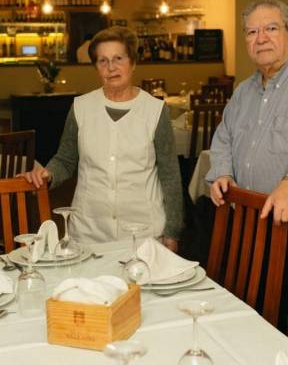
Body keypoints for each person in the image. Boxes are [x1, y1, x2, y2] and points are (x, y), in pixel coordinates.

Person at [206, 0, 288, 364]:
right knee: (255, 323)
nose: (260, 38)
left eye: (270, 28)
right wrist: (221, 172)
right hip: (249, 223)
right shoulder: (243, 92)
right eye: (252, 31)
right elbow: (224, 140)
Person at [21, 26, 184, 251]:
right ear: (96, 67)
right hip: (89, 232)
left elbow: (170, 175)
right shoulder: (81, 107)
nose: (111, 67)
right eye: (103, 61)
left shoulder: (155, 110)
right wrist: (48, 174)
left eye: (118, 58)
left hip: (143, 234)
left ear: (133, 62)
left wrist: (172, 232)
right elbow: (65, 160)